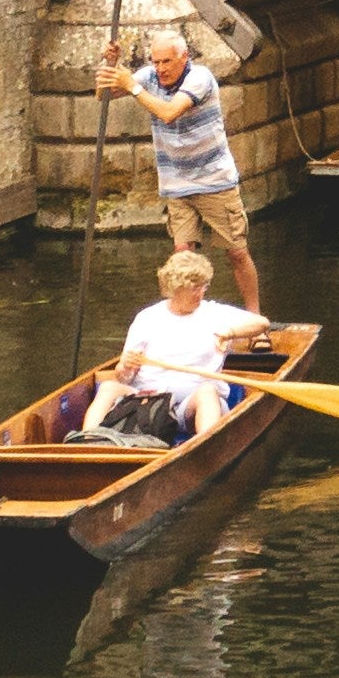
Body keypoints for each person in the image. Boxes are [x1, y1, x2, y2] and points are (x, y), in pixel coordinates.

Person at [100, 26, 251, 279]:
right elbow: (103, 95)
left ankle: (255, 313)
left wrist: (133, 88)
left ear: (184, 58)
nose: (161, 69)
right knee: (183, 257)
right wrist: (111, 62)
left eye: (167, 61)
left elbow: (169, 113)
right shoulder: (150, 76)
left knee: (236, 253)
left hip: (214, 181)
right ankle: (188, 311)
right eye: (156, 62)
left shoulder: (200, 78)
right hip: (177, 183)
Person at [92, 252, 273, 442]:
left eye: (204, 286)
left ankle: (205, 446)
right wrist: (125, 367)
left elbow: (262, 323)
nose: (201, 292)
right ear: (176, 288)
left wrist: (231, 333)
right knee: (108, 388)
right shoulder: (147, 318)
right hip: (147, 405)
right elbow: (124, 377)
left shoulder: (214, 313)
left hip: (187, 407)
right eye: (195, 288)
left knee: (208, 392)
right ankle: (89, 442)